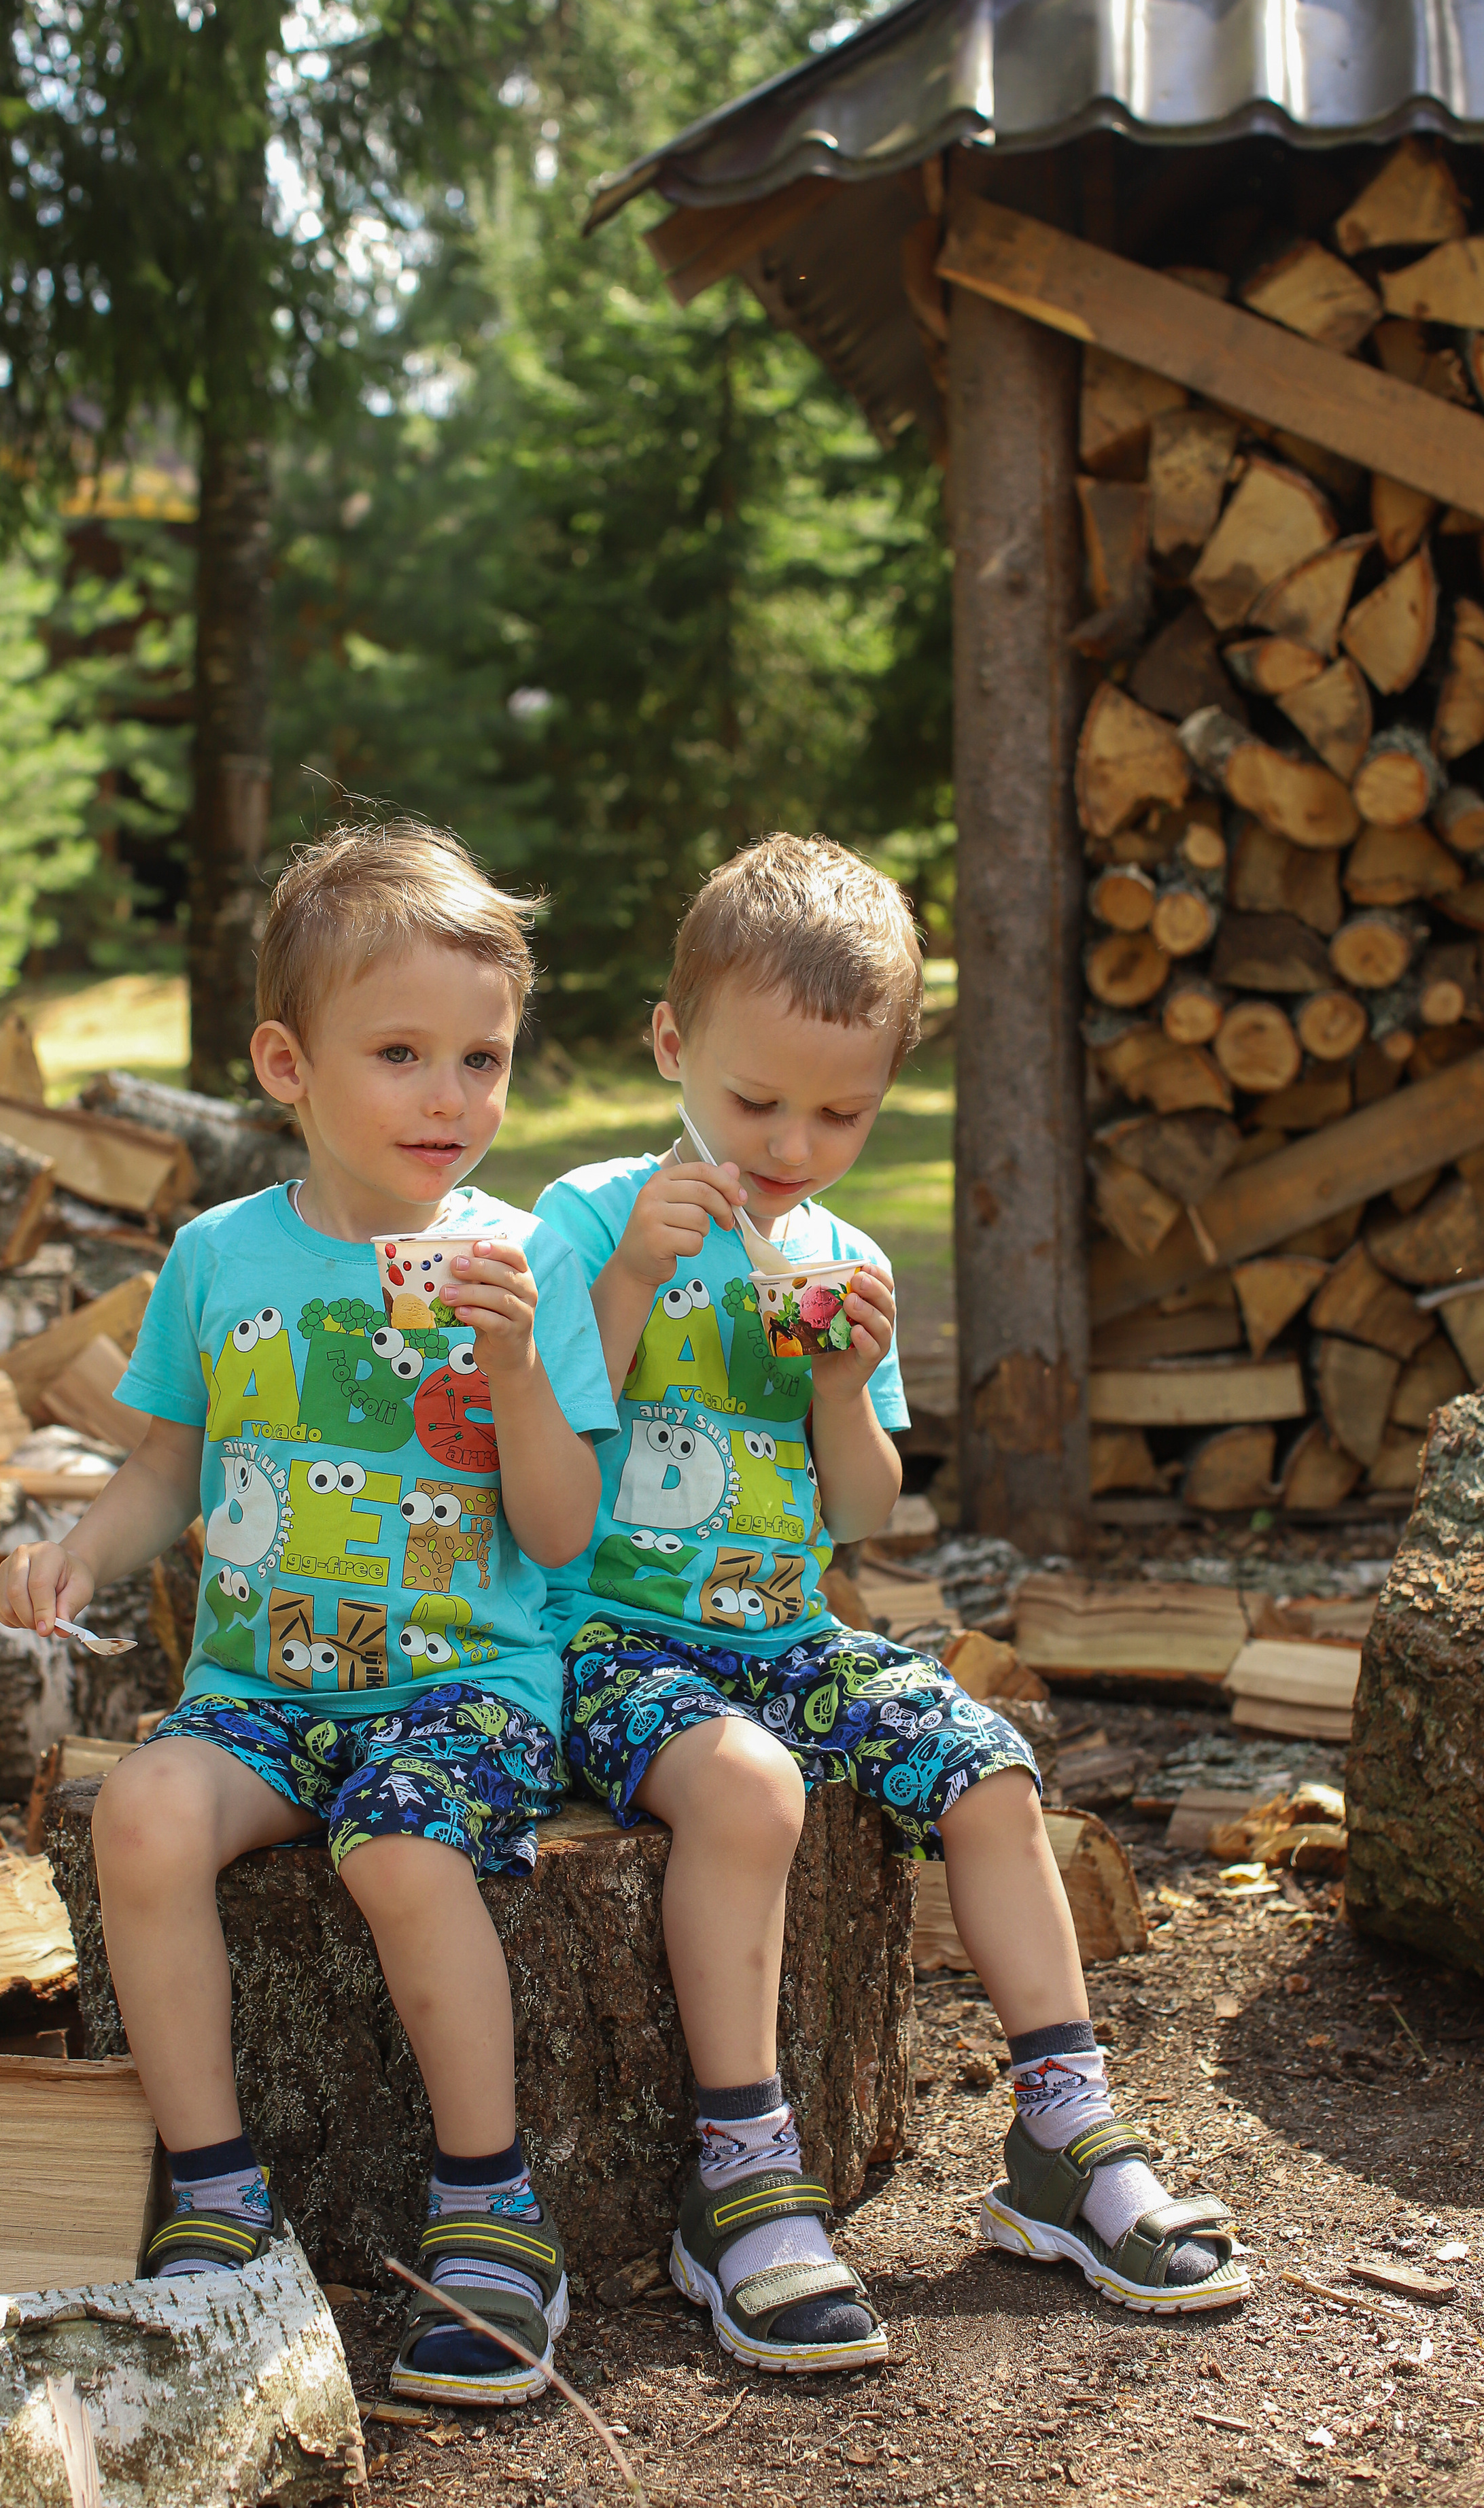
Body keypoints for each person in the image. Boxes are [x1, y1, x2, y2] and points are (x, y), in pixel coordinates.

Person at [532, 832, 1249, 2374]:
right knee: (748, 1791)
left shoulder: (840, 1254)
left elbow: (864, 1512)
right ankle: (740, 2176)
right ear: (671, 1047)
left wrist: (851, 1384)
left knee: (985, 1768)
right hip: (602, 1638)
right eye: (753, 1102)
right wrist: (624, 1290)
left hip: (790, 1630)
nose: (791, 1143)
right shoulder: (587, 1218)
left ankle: (1064, 2133)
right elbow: (546, 1453)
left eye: (840, 1112)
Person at [0, 820, 614, 2407]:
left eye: (481, 1059)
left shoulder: (520, 1260)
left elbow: (560, 1532)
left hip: (458, 1686)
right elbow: (167, 1463)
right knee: (137, 1816)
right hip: (260, 1695)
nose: (449, 1098)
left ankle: (491, 2212)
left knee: (399, 1844)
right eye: (399, 1053)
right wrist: (81, 1551)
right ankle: (216, 2197)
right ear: (286, 1062)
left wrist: (523, 1368)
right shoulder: (218, 1257)